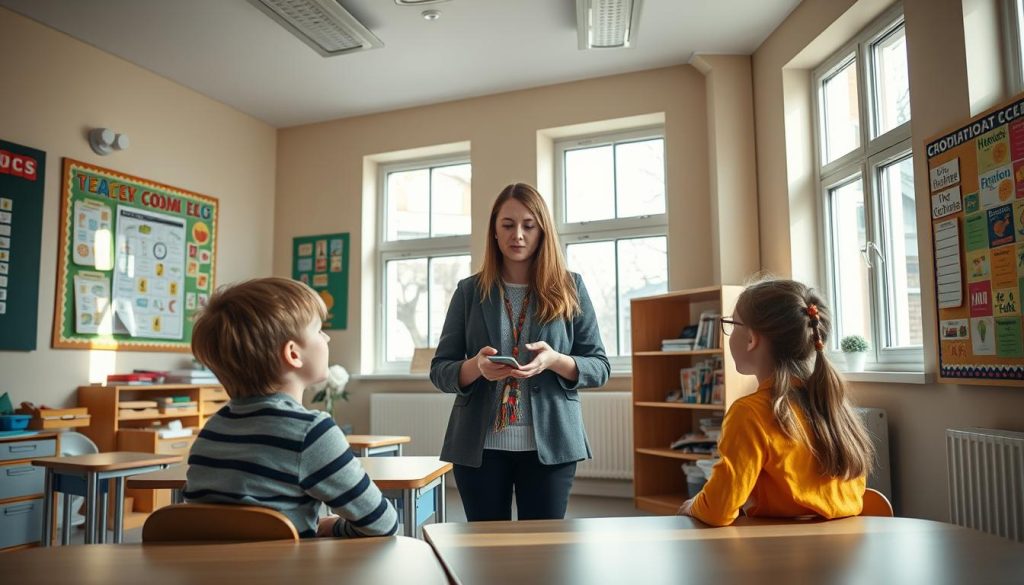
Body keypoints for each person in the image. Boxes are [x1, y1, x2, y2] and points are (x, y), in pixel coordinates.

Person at [430, 182, 610, 521]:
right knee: (484, 555)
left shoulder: (571, 287)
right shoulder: (469, 291)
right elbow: (440, 369)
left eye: (529, 225)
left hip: (552, 445)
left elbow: (599, 366)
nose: (518, 235)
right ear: (494, 232)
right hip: (479, 447)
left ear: (543, 231)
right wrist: (476, 367)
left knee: (542, 555)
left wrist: (554, 360)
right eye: (508, 225)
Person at [185, 277, 398, 538]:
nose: (328, 338)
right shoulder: (312, 434)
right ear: (293, 354)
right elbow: (382, 524)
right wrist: (329, 527)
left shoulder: (213, 430)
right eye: (319, 330)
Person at [679, 278, 875, 526]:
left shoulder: (749, 413)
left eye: (730, 324)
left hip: (780, 553)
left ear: (751, 339)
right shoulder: (833, 405)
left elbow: (718, 509)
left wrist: (693, 505)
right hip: (845, 553)